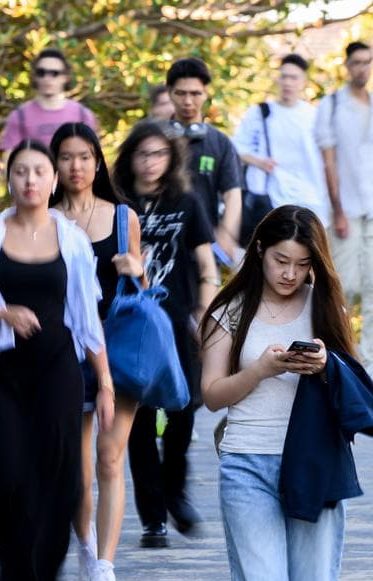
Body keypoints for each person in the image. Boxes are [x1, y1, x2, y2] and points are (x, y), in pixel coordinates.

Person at [199, 205, 363, 581]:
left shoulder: (325, 307)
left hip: (314, 467)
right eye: (280, 260)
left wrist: (325, 364)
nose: (289, 274)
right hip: (247, 464)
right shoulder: (230, 310)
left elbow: (353, 381)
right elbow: (211, 395)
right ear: (259, 253)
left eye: (301, 263)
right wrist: (264, 369)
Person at [0, 139, 113, 581]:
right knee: (4, 477)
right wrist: (2, 312)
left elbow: (86, 318)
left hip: (58, 370)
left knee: (58, 477)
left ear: (53, 180)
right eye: (21, 171)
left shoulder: (73, 240)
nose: (31, 181)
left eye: (40, 171)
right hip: (3, 374)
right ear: (8, 177)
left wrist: (103, 382)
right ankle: (13, 564)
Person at [112, 119, 219, 548]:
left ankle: (176, 492)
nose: (150, 162)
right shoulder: (117, 204)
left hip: (177, 322)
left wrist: (205, 311)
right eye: (142, 153)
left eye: (159, 154)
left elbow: (206, 264)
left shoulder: (187, 202)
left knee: (182, 412)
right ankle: (152, 517)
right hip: (131, 323)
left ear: (171, 158)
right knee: (135, 421)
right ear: (130, 158)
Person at [49, 122, 144, 581]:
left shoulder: (124, 216)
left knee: (110, 457)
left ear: (98, 161)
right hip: (65, 352)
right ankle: (86, 549)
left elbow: (143, 295)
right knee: (76, 468)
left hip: (120, 349)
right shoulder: (44, 220)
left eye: (85, 156)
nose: (76, 167)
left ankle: (105, 565)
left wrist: (138, 270)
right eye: (66, 157)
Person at [315, 40, 373, 387]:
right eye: (356, 62)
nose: (362, 68)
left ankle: (372, 360)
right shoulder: (332, 106)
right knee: (345, 285)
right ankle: (344, 356)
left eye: (368, 62)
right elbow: (329, 162)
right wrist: (337, 209)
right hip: (347, 208)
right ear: (346, 65)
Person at [233, 53, 329, 226]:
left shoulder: (314, 117)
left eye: (293, 77)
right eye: (284, 76)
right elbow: (236, 147)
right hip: (272, 200)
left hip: (311, 200)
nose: (288, 82)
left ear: (303, 81)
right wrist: (259, 162)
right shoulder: (261, 113)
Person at [165, 57, 244, 265]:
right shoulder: (154, 139)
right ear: (169, 92)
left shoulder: (220, 143)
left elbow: (233, 194)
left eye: (195, 93)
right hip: (161, 244)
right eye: (181, 93)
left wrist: (227, 233)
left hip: (206, 247)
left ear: (206, 93)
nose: (188, 101)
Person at [0, 49, 98, 151]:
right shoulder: (19, 116)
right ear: (35, 76)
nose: (47, 78)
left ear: (66, 77)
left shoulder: (82, 115)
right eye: (41, 72)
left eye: (54, 73)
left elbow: (92, 157)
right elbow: (9, 158)